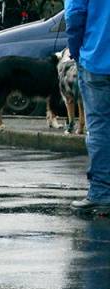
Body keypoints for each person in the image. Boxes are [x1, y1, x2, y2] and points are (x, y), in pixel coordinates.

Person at [66, 0, 110, 216]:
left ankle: (102, 194)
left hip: (98, 58)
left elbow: (74, 14)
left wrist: (77, 52)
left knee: (100, 128)